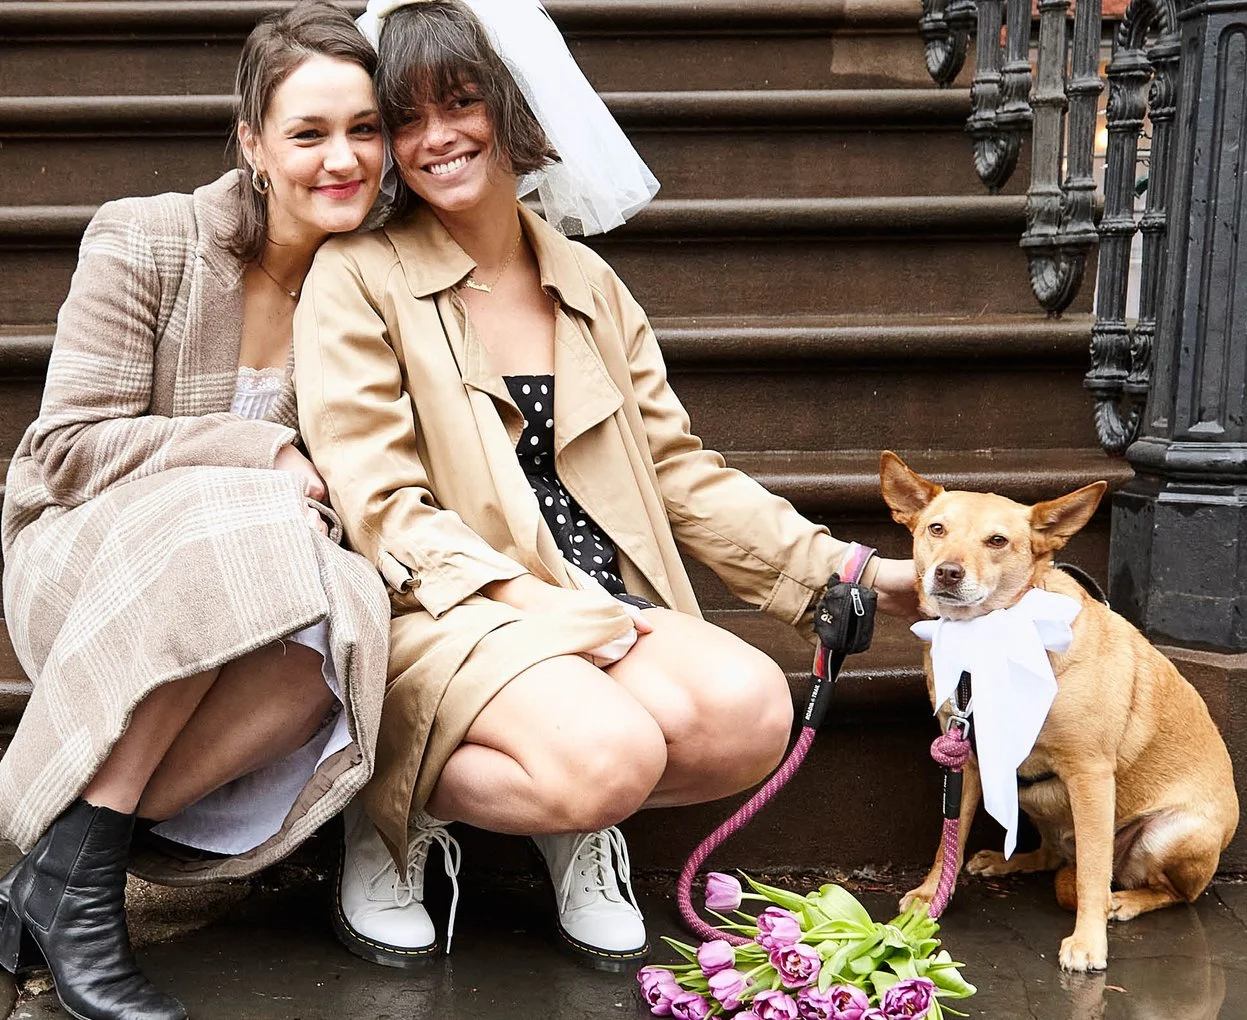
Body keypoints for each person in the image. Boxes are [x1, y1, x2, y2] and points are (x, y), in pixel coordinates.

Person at [295, 0, 921, 972]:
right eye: (404, 118)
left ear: (511, 104)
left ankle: (570, 817)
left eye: (459, 102)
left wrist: (848, 568)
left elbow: (677, 470)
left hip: (598, 589)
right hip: (451, 605)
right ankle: (388, 812)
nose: (434, 139)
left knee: (751, 712)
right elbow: (377, 500)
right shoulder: (358, 275)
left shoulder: (587, 283)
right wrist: (528, 601)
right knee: (614, 755)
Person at [0, 6, 392, 1018]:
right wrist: (258, 451)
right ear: (253, 144)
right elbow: (63, 450)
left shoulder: (373, 287)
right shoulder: (149, 238)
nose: (342, 158)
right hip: (85, 557)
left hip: (258, 583)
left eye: (363, 130)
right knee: (233, 506)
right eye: (309, 133)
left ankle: (54, 880)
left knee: (338, 646)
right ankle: (76, 897)